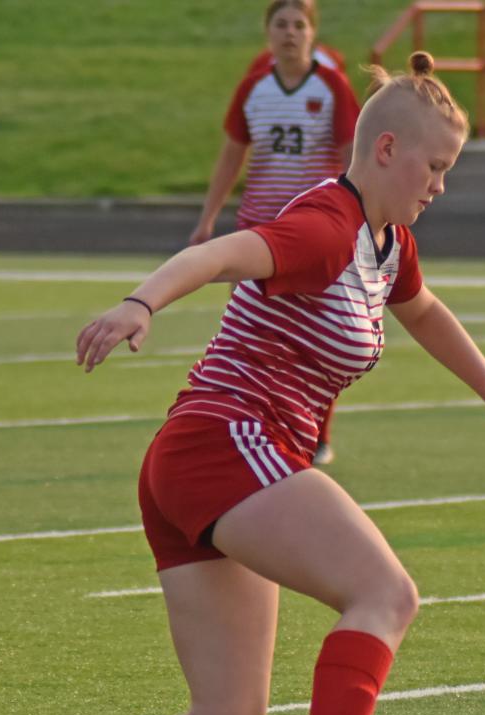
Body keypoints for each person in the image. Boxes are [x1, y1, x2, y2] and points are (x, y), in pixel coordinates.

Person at [10, 52, 485, 715]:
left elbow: (423, 309)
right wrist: (140, 304)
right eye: (436, 167)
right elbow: (227, 251)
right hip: (227, 443)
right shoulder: (327, 227)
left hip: (200, 460)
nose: (440, 187)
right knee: (386, 591)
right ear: (384, 151)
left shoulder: (388, 242)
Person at [190, 0, 360, 462]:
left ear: (313, 34)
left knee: (318, 338)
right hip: (258, 229)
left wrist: (357, 217)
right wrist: (208, 218)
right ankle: (242, 423)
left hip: (313, 232)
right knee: (247, 332)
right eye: (281, 24)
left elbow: (351, 155)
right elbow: (231, 155)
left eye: (299, 25)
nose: (290, 33)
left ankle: (317, 434)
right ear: (268, 33)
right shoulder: (253, 88)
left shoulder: (332, 88)